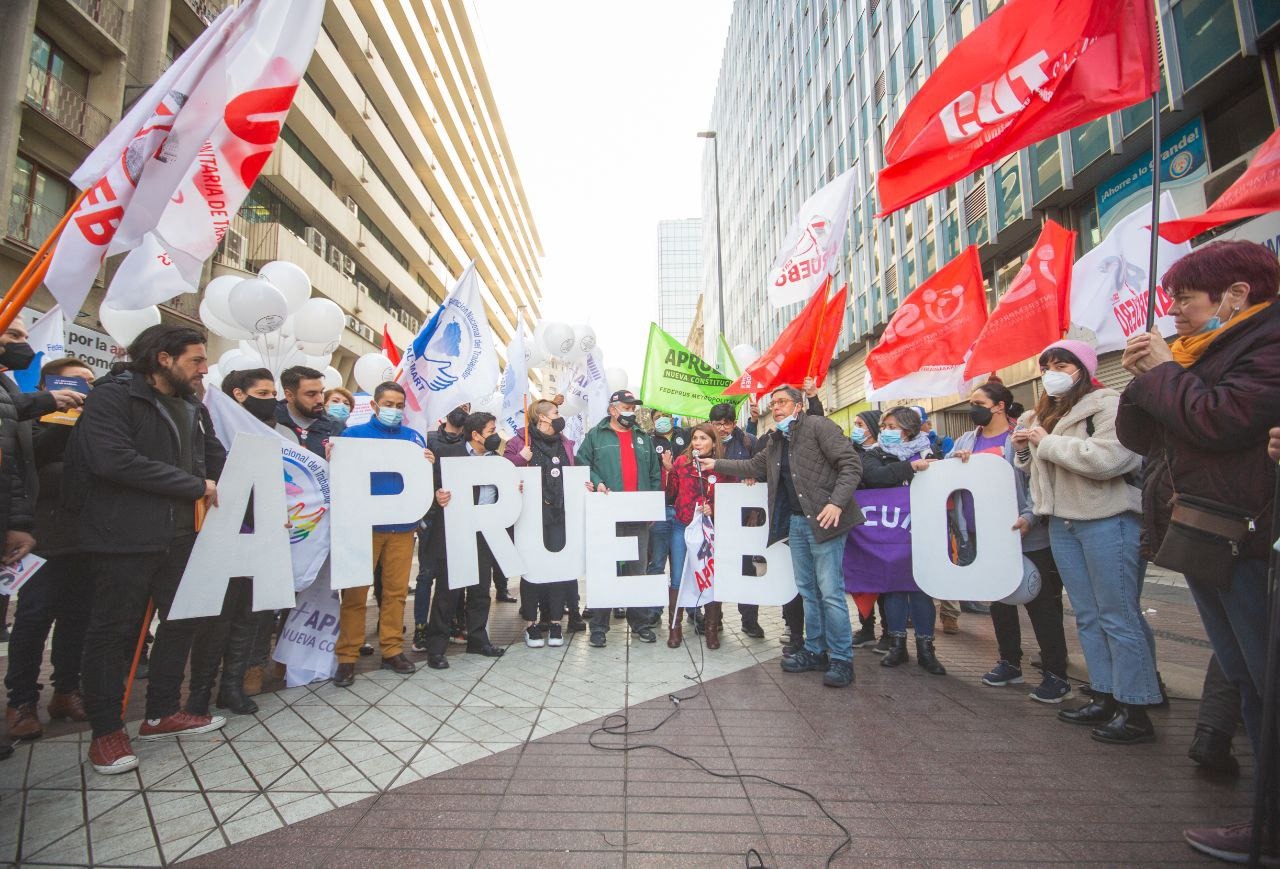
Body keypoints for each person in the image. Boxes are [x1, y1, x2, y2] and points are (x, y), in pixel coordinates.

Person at [1115, 240, 1280, 861]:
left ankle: (1269, 822)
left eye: (1185, 299)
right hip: (1201, 530)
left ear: (1236, 295)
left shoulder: (1266, 344)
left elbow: (1221, 419)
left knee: (1267, 682)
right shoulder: (1190, 353)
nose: (1175, 312)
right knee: (1245, 675)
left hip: (1247, 534)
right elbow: (1142, 436)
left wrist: (1165, 374)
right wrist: (1145, 381)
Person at [67, 324, 227, 775]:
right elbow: (112, 459)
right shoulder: (114, 397)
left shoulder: (193, 405)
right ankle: (106, 731)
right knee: (111, 633)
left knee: (182, 620)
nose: (203, 369)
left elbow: (213, 458)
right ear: (163, 358)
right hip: (123, 536)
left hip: (181, 536)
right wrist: (193, 485)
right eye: (196, 360)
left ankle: (161, 712)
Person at [1012, 338, 1158, 744]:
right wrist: (1024, 451)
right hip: (1063, 522)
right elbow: (1038, 472)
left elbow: (1112, 459)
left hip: (1107, 519)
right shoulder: (1045, 412)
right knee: (1088, 616)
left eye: (1062, 364)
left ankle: (1137, 706)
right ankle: (1105, 694)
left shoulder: (1108, 404)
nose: (1052, 373)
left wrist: (1047, 442)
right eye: (1047, 366)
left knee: (1118, 613)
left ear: (1082, 368)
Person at [703, 385, 863, 688]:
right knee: (808, 591)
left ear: (798, 406)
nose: (776, 407)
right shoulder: (776, 440)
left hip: (826, 520)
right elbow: (753, 466)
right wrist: (717, 463)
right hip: (796, 524)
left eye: (782, 402)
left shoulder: (819, 427)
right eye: (773, 403)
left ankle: (842, 659)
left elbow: (851, 465)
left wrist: (836, 503)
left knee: (830, 592)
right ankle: (816, 651)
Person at [952, 382, 1071, 702]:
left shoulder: (1021, 436)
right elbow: (947, 478)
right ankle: (1009, 662)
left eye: (978, 402)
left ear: (1000, 406)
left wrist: (1031, 517)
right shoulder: (966, 439)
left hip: (1025, 535)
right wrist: (955, 462)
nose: (972, 407)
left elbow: (1037, 481)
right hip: (985, 536)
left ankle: (1055, 673)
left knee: (1041, 604)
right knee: (1001, 603)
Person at [184, 369, 290, 718]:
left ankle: (231, 688)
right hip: (220, 530)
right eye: (263, 392)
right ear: (238, 395)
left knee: (249, 614)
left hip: (260, 532)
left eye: (273, 392)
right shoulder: (211, 423)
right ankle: (199, 693)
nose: (271, 399)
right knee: (216, 618)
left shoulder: (277, 434)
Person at [1, 356, 82, 740]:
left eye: (89, 385)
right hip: (43, 537)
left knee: (78, 618)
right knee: (34, 620)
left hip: (86, 537)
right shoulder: (24, 421)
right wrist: (64, 419)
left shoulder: (94, 424)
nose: (84, 392)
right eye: (75, 385)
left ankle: (66, 691)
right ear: (50, 387)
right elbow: (34, 463)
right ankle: (21, 700)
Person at [332, 382, 431, 687]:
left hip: (401, 528)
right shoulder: (352, 436)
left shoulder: (413, 438)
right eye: (389, 404)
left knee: (396, 593)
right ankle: (347, 657)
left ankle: (391, 650)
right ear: (374, 406)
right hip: (364, 528)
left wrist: (427, 463)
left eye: (400, 405)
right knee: (355, 594)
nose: (395, 410)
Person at [858, 406, 946, 675]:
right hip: (890, 533)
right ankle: (897, 645)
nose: (886, 431)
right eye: (883, 427)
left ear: (908, 429)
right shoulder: (874, 455)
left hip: (923, 529)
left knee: (921, 588)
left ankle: (926, 649)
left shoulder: (932, 453)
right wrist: (909, 468)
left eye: (892, 427)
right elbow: (874, 476)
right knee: (894, 587)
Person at [576, 390, 663, 647]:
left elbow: (654, 474)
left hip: (637, 515)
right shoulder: (595, 436)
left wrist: (651, 506)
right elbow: (582, 463)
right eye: (626, 406)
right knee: (605, 569)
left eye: (632, 407)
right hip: (606, 515)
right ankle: (599, 627)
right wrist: (597, 481)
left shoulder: (643, 437)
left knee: (637, 570)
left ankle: (641, 624)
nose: (631, 411)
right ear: (613, 409)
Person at [423, 411, 506, 664]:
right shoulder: (448, 455)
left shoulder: (496, 460)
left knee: (481, 589)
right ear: (476, 435)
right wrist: (436, 497)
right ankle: (436, 647)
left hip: (484, 531)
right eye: (492, 431)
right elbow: (430, 485)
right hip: (456, 531)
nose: (496, 435)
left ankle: (478, 640)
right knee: (449, 591)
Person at [505, 399, 582, 648]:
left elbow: (574, 474)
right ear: (542, 417)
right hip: (530, 515)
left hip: (560, 514)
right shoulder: (520, 441)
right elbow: (502, 474)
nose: (560, 417)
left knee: (558, 567)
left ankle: (556, 623)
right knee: (532, 572)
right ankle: (531, 625)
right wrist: (519, 459)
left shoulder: (564, 442)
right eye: (556, 413)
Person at [665, 423, 735, 648]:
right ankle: (674, 629)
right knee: (677, 576)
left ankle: (711, 630)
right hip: (682, 526)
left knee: (708, 576)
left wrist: (713, 507)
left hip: (709, 529)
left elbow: (732, 497)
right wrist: (668, 473)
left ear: (714, 442)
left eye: (703, 438)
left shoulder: (723, 467)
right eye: (695, 438)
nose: (697, 443)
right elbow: (671, 494)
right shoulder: (682, 463)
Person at [707, 402, 769, 640]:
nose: (722, 428)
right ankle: (714, 618)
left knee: (747, 569)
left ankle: (749, 620)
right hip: (714, 517)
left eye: (726, 423)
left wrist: (753, 476)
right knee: (714, 567)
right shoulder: (706, 444)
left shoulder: (748, 442)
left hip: (746, 520)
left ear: (734, 423)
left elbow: (762, 469)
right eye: (717, 424)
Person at [413, 404, 471, 652]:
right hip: (432, 517)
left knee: (456, 574)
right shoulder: (428, 440)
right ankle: (421, 628)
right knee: (427, 575)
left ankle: (453, 623)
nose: (461, 410)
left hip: (459, 518)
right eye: (457, 405)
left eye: (466, 406)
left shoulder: (470, 444)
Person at [848, 409, 887, 652]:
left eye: (860, 424)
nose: (856, 428)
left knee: (884, 579)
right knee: (861, 577)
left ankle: (890, 632)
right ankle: (866, 627)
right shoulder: (852, 453)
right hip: (860, 525)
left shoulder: (887, 454)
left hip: (884, 526)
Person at [276, 366, 341, 456]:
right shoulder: (269, 421)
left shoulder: (337, 427)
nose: (320, 400)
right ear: (290, 395)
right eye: (311, 394)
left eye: (321, 392)